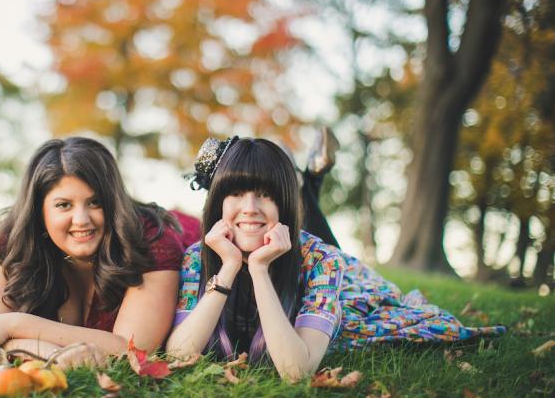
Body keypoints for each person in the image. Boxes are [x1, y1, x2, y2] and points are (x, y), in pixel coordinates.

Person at [166, 136, 506, 381]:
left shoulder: (323, 261)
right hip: (277, 258)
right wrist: (227, 269)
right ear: (217, 201)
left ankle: (307, 182)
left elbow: (296, 372)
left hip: (345, 286)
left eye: (266, 194)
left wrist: (258, 270)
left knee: (355, 281)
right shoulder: (199, 257)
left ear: (285, 202)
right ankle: (309, 181)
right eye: (236, 193)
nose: (251, 207)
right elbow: (179, 355)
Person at [0, 137, 184, 367]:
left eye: (95, 202)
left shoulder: (153, 241)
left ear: (113, 203)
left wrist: (14, 325)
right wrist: (50, 352)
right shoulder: (16, 239)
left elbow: (135, 348)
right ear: (39, 211)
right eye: (64, 205)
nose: (82, 220)